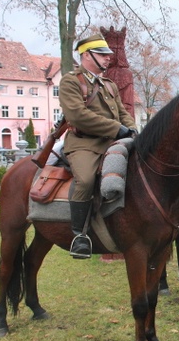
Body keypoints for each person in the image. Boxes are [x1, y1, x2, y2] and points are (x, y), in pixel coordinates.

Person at [59, 34, 138, 259]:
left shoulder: (109, 84)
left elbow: (123, 112)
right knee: (85, 179)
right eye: (102, 55)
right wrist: (116, 129)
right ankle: (79, 235)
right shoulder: (71, 81)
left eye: (107, 55)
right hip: (85, 143)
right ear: (86, 55)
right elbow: (77, 115)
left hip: (113, 142)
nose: (107, 59)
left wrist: (132, 130)